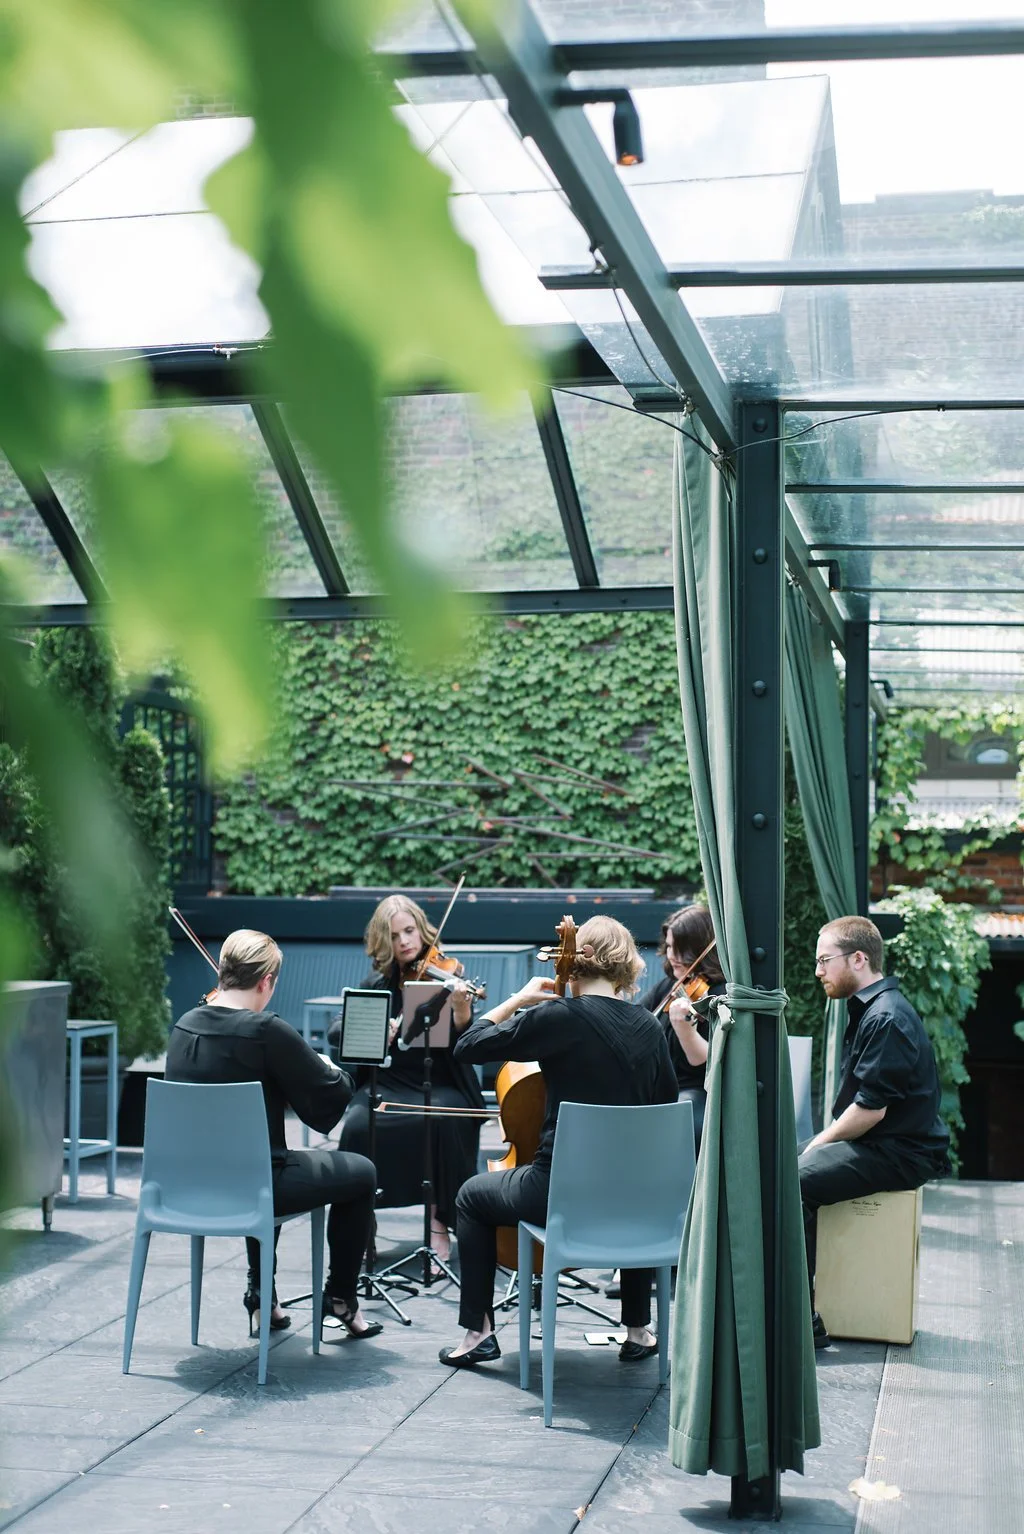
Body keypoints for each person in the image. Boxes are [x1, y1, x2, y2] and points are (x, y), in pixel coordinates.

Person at [437, 914, 678, 1370]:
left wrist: (518, 1000)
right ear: (625, 965)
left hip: (557, 1194)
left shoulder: (558, 1015)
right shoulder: (649, 1026)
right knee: (623, 1175)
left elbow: (469, 1045)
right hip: (634, 1202)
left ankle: (478, 1333)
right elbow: (663, 1107)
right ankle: (638, 1330)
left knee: (471, 1195)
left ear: (574, 962)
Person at [165, 929, 382, 1340]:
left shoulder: (184, 1025)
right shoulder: (266, 1030)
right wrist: (333, 1068)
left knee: (263, 1154)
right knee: (360, 1172)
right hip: (251, 1188)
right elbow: (329, 1095)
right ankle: (340, 1298)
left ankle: (262, 1294)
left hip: (186, 1189)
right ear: (266, 981)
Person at [799, 915, 951, 1350]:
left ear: (859, 958)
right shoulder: (876, 1009)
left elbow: (870, 1110)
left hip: (899, 1151)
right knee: (779, 1164)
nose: (818, 971)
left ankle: (800, 1316)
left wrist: (821, 1141)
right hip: (884, 1143)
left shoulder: (886, 1018)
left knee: (791, 1182)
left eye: (825, 960)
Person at [329, 895, 482, 1267]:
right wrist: (372, 1033)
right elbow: (339, 1029)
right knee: (357, 1127)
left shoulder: (446, 977)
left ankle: (438, 1221)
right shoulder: (376, 983)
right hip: (389, 1082)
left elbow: (467, 1038)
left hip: (440, 1082)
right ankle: (364, 1222)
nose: (404, 942)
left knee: (445, 1119)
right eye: (394, 935)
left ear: (421, 929)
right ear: (384, 942)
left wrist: (462, 1007)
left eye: (409, 931)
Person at [639, 903, 725, 1155]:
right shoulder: (671, 985)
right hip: (660, 1088)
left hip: (694, 1093)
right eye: (669, 946)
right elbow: (637, 1020)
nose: (672, 954)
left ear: (700, 948)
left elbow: (704, 1061)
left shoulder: (718, 994)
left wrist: (684, 1029)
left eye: (681, 948)